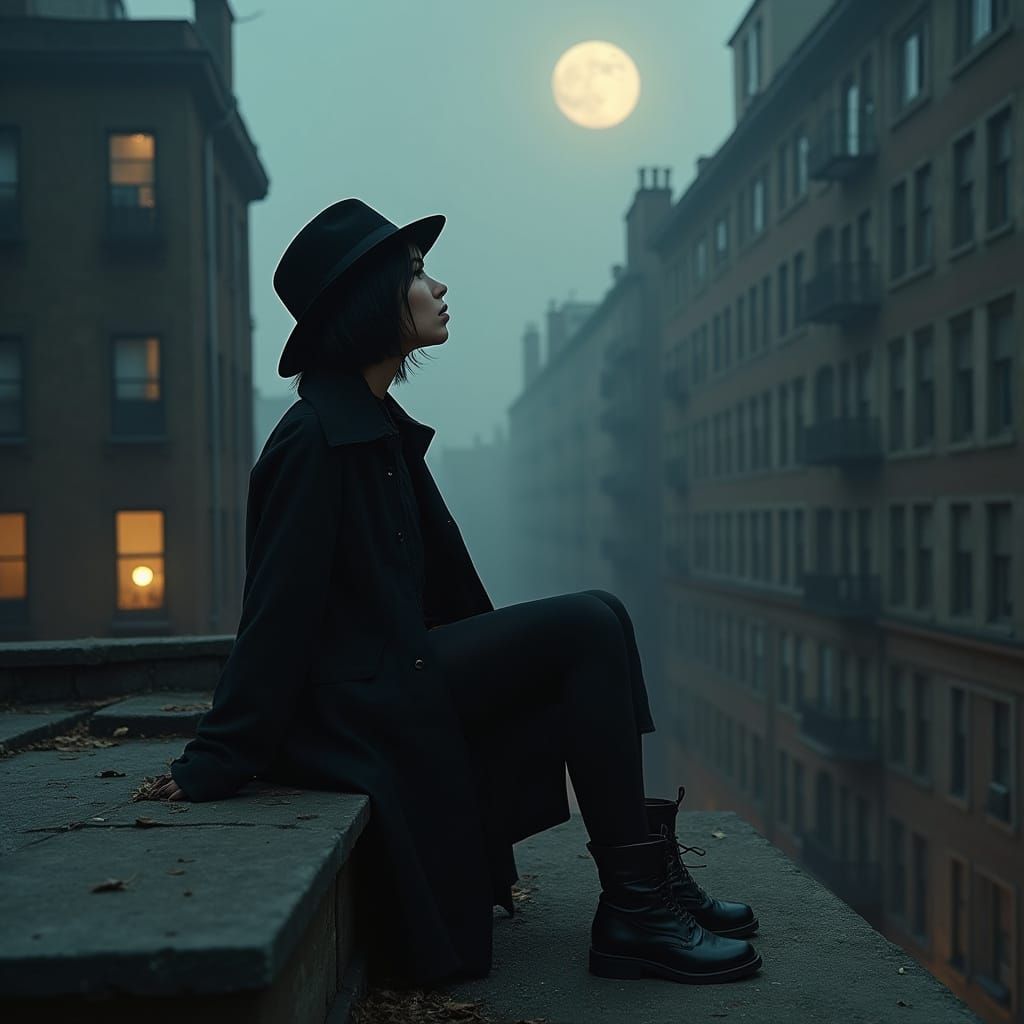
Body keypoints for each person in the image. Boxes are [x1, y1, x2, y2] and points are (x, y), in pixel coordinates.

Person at [150, 199, 763, 988]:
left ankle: (649, 886)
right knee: (584, 624)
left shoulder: (370, 422)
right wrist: (219, 754)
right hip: (359, 702)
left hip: (396, 673)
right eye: (414, 275)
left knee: (601, 615)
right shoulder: (315, 439)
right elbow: (276, 610)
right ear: (370, 301)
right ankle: (637, 908)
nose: (438, 288)